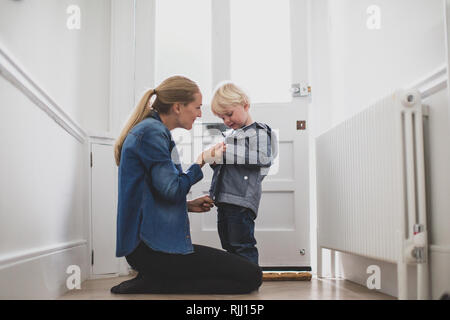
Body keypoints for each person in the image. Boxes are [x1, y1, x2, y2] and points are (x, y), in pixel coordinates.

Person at [111, 76, 262, 294]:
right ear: (178, 107)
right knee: (251, 277)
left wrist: (188, 205)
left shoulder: (152, 130)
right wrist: (201, 160)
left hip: (147, 245)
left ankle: (155, 277)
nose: (200, 114)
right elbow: (173, 189)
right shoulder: (152, 133)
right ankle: (157, 280)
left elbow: (154, 192)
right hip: (152, 247)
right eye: (197, 107)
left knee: (235, 272)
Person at [208, 82, 277, 266]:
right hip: (224, 199)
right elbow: (226, 169)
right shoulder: (230, 136)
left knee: (242, 245)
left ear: (245, 105)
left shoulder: (259, 132)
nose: (227, 121)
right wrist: (215, 161)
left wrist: (226, 153)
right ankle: (236, 277)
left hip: (241, 200)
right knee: (228, 245)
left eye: (229, 114)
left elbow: (263, 158)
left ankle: (250, 278)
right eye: (222, 118)